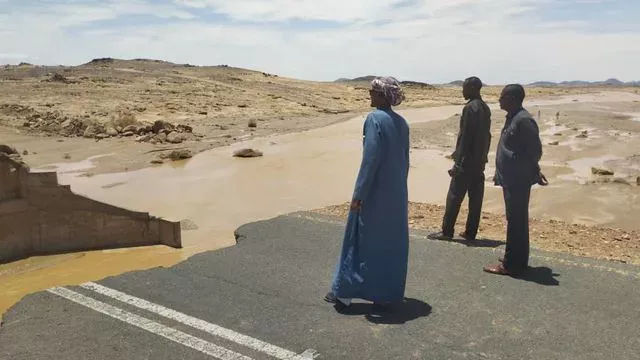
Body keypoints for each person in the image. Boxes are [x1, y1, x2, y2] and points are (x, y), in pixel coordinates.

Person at [325, 77, 410, 310]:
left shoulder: (374, 119)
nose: (369, 94)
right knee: (389, 243)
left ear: (383, 95)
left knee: (358, 238)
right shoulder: (401, 123)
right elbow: (405, 161)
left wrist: (359, 193)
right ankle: (387, 292)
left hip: (374, 192)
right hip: (396, 192)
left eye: (372, 91)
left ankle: (343, 292)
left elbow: (370, 160)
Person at [483, 84, 547, 276]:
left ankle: (511, 265)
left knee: (516, 221)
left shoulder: (524, 120)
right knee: (516, 219)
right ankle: (518, 260)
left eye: (502, 96)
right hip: (511, 178)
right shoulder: (513, 117)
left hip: (518, 179)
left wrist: (528, 169)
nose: (499, 99)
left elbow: (535, 151)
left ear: (511, 98)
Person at [428, 77, 491, 242]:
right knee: (475, 201)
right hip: (479, 162)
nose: (462, 91)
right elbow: (487, 137)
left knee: (454, 197)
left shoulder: (470, 108)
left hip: (467, 162)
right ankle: (471, 233)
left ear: (472, 88)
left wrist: (458, 162)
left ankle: (447, 231)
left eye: (464, 88)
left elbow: (466, 137)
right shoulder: (485, 108)